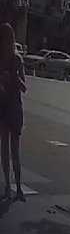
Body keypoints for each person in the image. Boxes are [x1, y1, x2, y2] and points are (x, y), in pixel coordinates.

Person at [0, 24, 25, 201]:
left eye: (8, 38)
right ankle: (8, 186)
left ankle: (18, 188)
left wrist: (15, 78)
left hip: (15, 107)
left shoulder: (17, 59)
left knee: (15, 150)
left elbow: (24, 87)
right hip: (2, 106)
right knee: (4, 148)